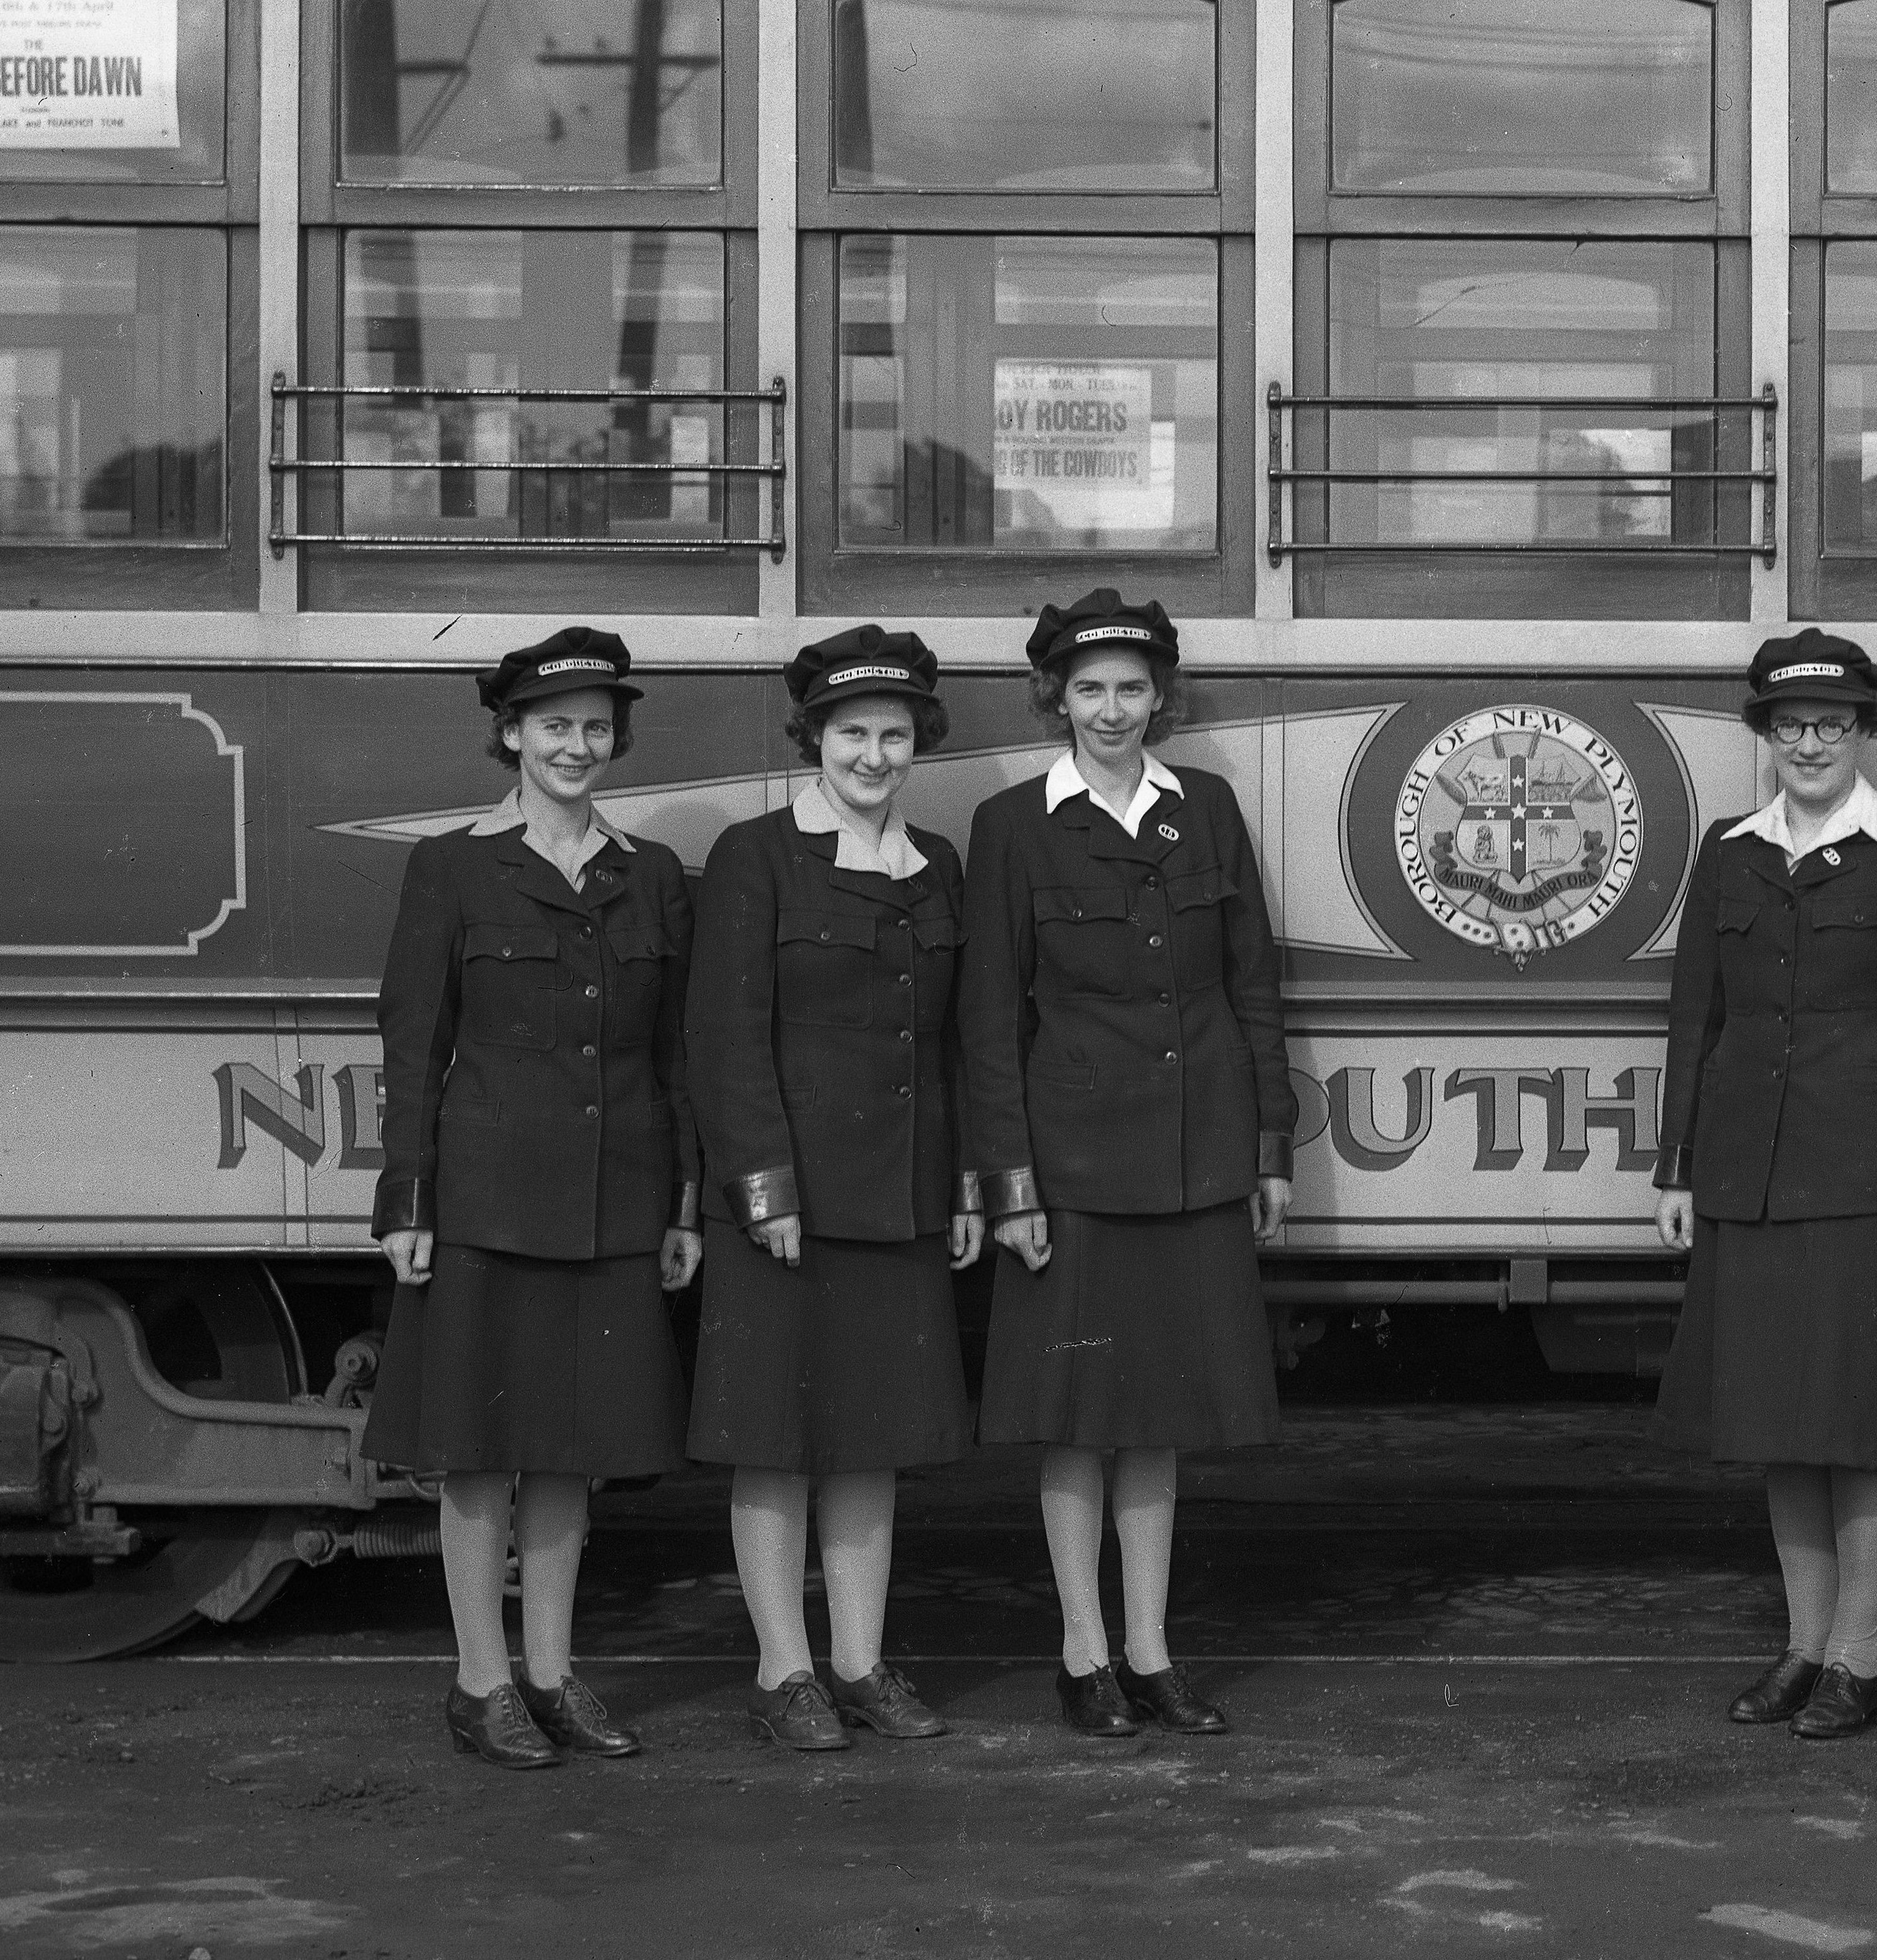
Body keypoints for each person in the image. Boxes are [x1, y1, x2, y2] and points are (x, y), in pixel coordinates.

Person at [962, 589, 1295, 1738]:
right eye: (1090, 689)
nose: (1112, 709)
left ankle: (1150, 1651)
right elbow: (991, 1020)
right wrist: (1009, 1185)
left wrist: (1269, 1148)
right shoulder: (1012, 826)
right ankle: (1081, 1651)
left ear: (1164, 698)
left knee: (1155, 1417)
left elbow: (1252, 984)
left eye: (1133, 688)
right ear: (1056, 697)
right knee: (1075, 1416)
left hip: (1196, 1160)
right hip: (1073, 1170)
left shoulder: (1206, 808)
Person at [364, 627, 699, 1769]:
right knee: (477, 1448)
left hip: (615, 1202)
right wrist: (406, 1202)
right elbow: (416, 1044)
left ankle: (552, 1676)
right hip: (486, 1200)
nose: (577, 744)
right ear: (509, 733)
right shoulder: (452, 866)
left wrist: (682, 1208)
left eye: (597, 725)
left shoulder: (648, 873)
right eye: (553, 724)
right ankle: (480, 1681)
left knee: (571, 1448)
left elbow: (674, 1059)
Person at [1653, 630, 1877, 1742]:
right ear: (1767, 736)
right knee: (1781, 1423)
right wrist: (1678, 1167)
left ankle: (1861, 1650)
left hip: (1866, 1176)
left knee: (1866, 1424)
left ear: (1865, 732)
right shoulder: (1729, 850)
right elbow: (1698, 1015)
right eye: (1791, 726)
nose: (1812, 743)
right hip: (1751, 1175)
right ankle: (1802, 1642)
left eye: (1834, 724)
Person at [689, 625, 979, 1754]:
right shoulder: (755, 854)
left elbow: (948, 1044)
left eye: (894, 734)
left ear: (918, 744)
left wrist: (958, 1181)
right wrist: (764, 1186)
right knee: (775, 1434)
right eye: (852, 732)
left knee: (872, 1437)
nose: (873, 754)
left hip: (899, 1194)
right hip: (788, 1198)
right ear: (815, 737)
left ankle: (858, 1662)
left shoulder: (938, 864)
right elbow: (726, 1038)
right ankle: (783, 1668)